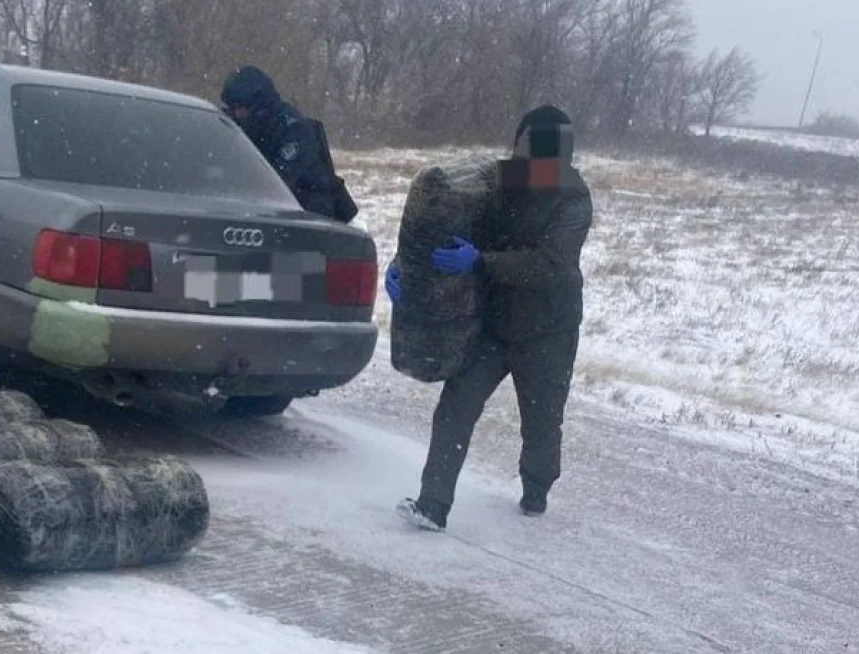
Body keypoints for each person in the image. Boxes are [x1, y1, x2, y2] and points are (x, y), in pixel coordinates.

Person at [385, 105, 593, 531]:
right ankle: (433, 504)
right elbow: (444, 221)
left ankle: (535, 491)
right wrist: (404, 266)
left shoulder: (573, 197)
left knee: (541, 421)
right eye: (522, 146)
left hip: (548, 330)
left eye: (537, 150)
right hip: (494, 323)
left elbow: (549, 264)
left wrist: (481, 261)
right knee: (455, 409)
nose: (526, 158)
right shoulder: (499, 182)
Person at [221, 65, 355, 222]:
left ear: (256, 104)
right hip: (273, 215)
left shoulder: (293, 131)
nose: (238, 114)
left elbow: (277, 183)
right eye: (233, 108)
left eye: (240, 108)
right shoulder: (246, 127)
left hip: (310, 217)